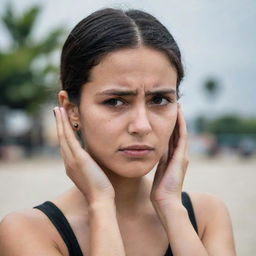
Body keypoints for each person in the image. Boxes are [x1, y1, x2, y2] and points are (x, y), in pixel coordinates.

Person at [0, 8, 236, 256]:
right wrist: (101, 204)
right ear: (71, 110)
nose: (142, 126)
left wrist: (170, 207)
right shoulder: (29, 232)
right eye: (115, 101)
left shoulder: (206, 216)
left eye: (159, 100)